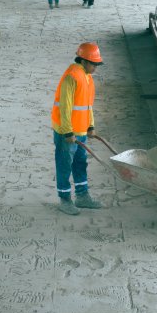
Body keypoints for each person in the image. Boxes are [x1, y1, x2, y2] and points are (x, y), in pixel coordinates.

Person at [50, 42, 105, 215]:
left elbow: (87, 106)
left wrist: (91, 126)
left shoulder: (87, 77)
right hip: (67, 133)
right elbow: (65, 107)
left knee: (80, 164)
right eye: (94, 64)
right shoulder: (71, 77)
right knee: (64, 164)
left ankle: (82, 196)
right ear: (83, 60)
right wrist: (67, 131)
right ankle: (65, 199)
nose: (96, 67)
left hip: (80, 132)